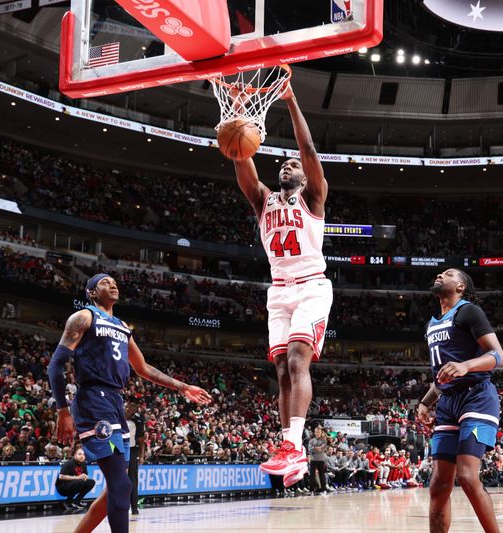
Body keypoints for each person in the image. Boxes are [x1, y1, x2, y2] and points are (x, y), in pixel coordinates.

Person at [48, 273, 212, 533]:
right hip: (93, 399)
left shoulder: (122, 326)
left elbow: (144, 368)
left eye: (114, 282)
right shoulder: (84, 317)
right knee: (122, 486)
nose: (112, 284)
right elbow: (56, 365)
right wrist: (62, 410)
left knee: (117, 487)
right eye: (104, 282)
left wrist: (183, 387)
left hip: (114, 402)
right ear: (91, 292)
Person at [233, 81, 332, 488]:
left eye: (293, 166)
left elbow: (308, 152)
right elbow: (242, 160)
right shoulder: (263, 199)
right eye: (284, 164)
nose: (287, 166)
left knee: (296, 358)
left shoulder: (315, 199)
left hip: (311, 285)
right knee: (280, 369)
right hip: (279, 289)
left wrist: (291, 100)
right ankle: (290, 452)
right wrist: (237, 116)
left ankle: (294, 443)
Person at [416, 269, 503, 533]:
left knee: (466, 476)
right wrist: (425, 402)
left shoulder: (469, 311)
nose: (440, 275)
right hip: (447, 403)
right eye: (440, 272)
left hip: (476, 396)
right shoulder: (432, 323)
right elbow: (443, 376)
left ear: (461, 286)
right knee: (439, 484)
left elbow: (498, 355)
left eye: (449, 274)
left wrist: (467, 366)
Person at [56, 445, 95, 511]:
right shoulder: (69, 463)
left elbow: (84, 475)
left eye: (83, 454)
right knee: (79, 481)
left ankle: (77, 501)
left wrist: (84, 477)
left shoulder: (83, 464)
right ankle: (67, 502)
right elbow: (61, 476)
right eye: (79, 454)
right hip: (62, 487)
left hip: (75, 484)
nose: (82, 456)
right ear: (75, 455)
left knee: (91, 482)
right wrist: (77, 477)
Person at [125, 402, 145, 514]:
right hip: (120, 450)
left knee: (133, 479)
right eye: (127, 407)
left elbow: (142, 440)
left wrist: (141, 456)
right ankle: (121, 505)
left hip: (132, 450)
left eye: (131, 407)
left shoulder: (138, 420)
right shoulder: (119, 417)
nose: (128, 409)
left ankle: (134, 507)